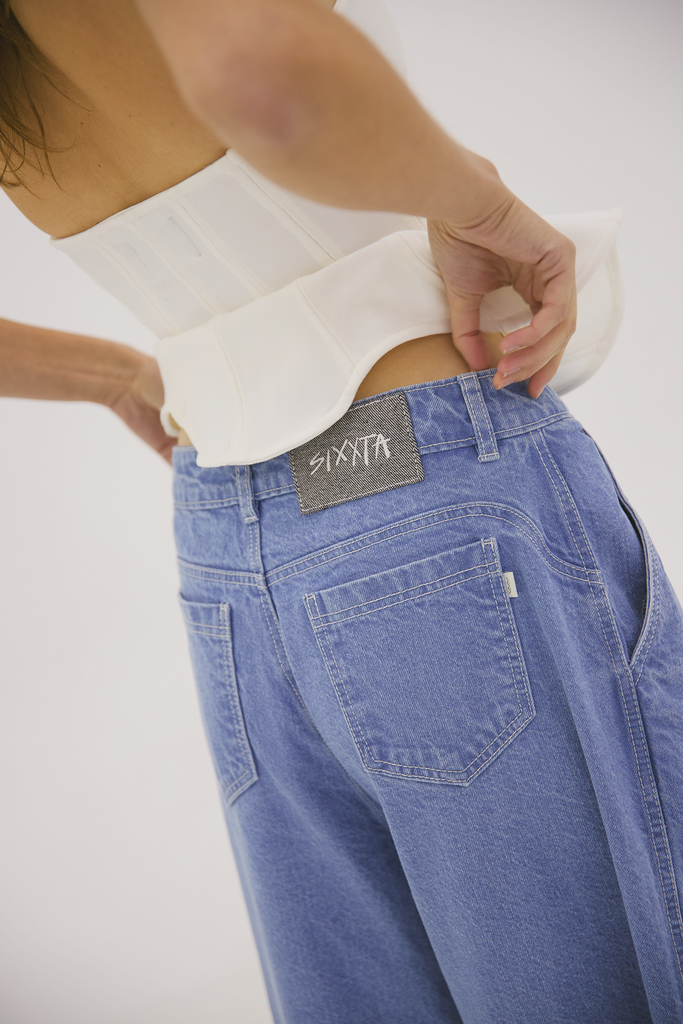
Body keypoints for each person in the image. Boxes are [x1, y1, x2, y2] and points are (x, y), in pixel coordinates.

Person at [1, 1, 681, 1022]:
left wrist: (113, 376)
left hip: (229, 546)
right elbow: (259, 70)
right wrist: (478, 202)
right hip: (429, 493)